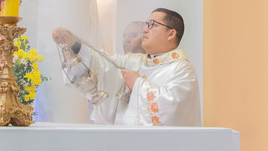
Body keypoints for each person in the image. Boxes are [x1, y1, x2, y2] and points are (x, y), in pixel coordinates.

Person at [54, 8, 200, 127]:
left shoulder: (182, 69)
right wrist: (74, 44)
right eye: (145, 25)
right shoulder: (136, 61)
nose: (145, 30)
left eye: (152, 25)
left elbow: (172, 110)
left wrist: (137, 84)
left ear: (171, 34)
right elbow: (103, 63)